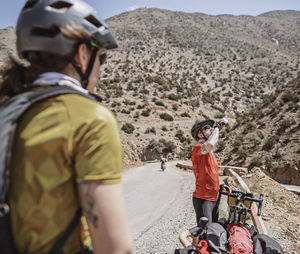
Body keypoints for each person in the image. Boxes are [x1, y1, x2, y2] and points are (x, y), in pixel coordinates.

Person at [0, 0, 134, 253]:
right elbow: (115, 248)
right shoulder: (90, 118)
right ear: (82, 54)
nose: (100, 68)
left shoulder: (7, 106)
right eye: (101, 57)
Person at [190, 118, 228, 225]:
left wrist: (219, 185)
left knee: (213, 231)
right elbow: (211, 144)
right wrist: (217, 128)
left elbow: (210, 173)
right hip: (203, 197)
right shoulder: (197, 148)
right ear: (200, 134)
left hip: (213, 197)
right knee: (205, 234)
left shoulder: (210, 154)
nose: (211, 128)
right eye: (207, 128)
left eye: (211, 127)